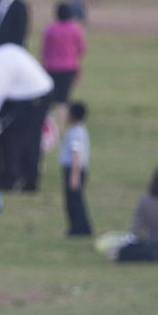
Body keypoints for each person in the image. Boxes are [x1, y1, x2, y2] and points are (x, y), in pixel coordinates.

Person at [0, 40, 54, 192]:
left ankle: (10, 180)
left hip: (33, 97)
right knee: (32, 138)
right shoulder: (5, 50)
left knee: (14, 139)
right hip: (42, 92)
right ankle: (30, 180)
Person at [41, 2, 87, 126]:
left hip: (52, 68)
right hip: (68, 68)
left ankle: (49, 125)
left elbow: (44, 52)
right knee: (64, 100)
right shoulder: (75, 29)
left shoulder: (50, 29)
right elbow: (82, 49)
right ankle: (61, 125)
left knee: (50, 99)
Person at [60, 101, 92, 237]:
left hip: (74, 169)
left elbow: (76, 155)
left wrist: (74, 176)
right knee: (75, 200)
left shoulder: (75, 133)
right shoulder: (79, 129)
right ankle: (78, 227)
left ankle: (79, 229)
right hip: (76, 169)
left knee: (73, 201)